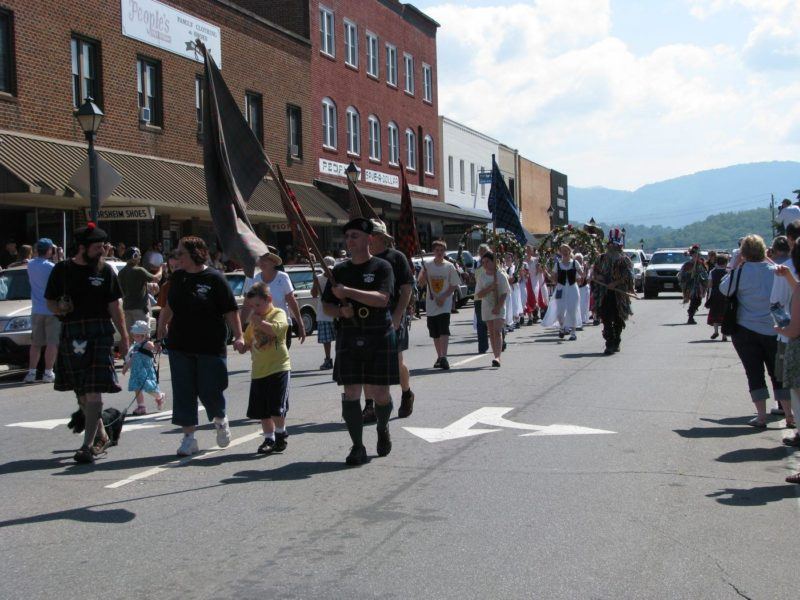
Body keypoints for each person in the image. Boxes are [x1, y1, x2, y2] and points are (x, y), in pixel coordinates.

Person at [44, 223, 129, 464]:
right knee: (81, 393)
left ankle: (88, 445)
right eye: (97, 246)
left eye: (103, 245)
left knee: (93, 391)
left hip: (100, 332)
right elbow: (49, 302)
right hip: (72, 331)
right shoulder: (61, 270)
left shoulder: (105, 271)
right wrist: (59, 309)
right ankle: (102, 434)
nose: (102, 250)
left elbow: (115, 306)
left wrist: (124, 337)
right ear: (82, 247)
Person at [155, 236, 243, 456]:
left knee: (210, 389)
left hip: (210, 345)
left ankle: (220, 420)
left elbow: (230, 311)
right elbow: (168, 307)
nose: (176, 257)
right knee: (184, 392)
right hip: (180, 344)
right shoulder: (178, 279)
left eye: (180, 253)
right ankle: (189, 438)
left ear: (195, 254)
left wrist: (239, 336)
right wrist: (160, 331)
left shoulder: (214, 278)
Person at [322, 217, 397, 466]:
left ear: (369, 239)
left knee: (380, 394)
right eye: (347, 236)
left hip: (378, 333)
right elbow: (326, 305)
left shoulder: (382, 267)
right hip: (350, 335)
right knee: (351, 392)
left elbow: (382, 299)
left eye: (355, 236)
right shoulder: (339, 271)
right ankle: (357, 446)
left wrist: (349, 293)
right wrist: (339, 311)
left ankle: (383, 426)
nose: (349, 240)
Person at [721, 234, 784, 427]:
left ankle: (761, 415)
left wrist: (734, 264)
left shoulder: (739, 273)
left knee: (754, 372)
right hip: (774, 328)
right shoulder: (775, 271)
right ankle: (786, 410)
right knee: (778, 372)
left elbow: (725, 289)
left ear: (743, 253)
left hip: (745, 328)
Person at [368, 219, 416, 419]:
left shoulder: (397, 258)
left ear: (380, 237)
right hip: (369, 319)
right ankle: (370, 405)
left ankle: (406, 393)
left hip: (393, 315)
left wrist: (397, 316)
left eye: (370, 235)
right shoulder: (362, 259)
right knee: (368, 363)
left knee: (396, 362)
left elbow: (406, 289)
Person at [241, 282, 291, 455]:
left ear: (268, 299)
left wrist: (259, 322)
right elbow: (247, 341)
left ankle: (280, 433)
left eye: (258, 305)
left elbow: (277, 331)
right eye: (252, 306)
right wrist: (241, 344)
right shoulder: (254, 321)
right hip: (259, 370)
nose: (255, 309)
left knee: (276, 406)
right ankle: (268, 438)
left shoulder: (278, 313)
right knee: (262, 410)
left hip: (278, 367)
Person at [242, 248, 306, 348]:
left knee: (280, 358)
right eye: (260, 259)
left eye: (265, 259)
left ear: (274, 263)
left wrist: (300, 324)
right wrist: (239, 330)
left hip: (280, 325)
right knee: (262, 358)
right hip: (259, 326)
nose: (262, 262)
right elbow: (246, 305)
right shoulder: (252, 279)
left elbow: (292, 301)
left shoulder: (283, 277)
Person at [417, 240, 460, 370]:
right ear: (433, 251)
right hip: (431, 304)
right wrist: (423, 275)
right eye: (437, 250)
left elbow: (454, 285)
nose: (440, 253)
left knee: (444, 329)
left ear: (445, 252)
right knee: (435, 332)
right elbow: (420, 283)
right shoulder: (427, 265)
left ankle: (444, 357)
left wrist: (443, 297)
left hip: (444, 304)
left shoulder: (449, 266)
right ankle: (439, 356)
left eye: (442, 250)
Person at [768, 234, 796, 424]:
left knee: (788, 380)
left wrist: (783, 328)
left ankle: (790, 417)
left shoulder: (784, 270)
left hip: (791, 336)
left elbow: (776, 303)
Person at [593, 229, 634, 355]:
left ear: (618, 246)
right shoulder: (601, 258)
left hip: (618, 294)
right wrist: (597, 277)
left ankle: (616, 340)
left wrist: (615, 283)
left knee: (618, 319)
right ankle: (609, 343)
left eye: (614, 245)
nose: (612, 247)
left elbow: (628, 276)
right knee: (605, 318)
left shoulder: (624, 260)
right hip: (604, 294)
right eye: (610, 245)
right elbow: (595, 272)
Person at [24, 238, 60, 384]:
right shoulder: (52, 267)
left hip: (37, 309)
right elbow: (60, 277)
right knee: (52, 342)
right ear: (50, 250)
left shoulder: (30, 265)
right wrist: (58, 258)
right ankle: (48, 372)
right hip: (51, 309)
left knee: (36, 343)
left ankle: (32, 372)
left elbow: (33, 260)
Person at [474, 251, 510, 367]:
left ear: (494, 262)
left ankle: (498, 357)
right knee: (491, 332)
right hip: (487, 306)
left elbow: (505, 293)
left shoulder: (500, 275)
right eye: (483, 262)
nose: (485, 264)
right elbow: (479, 294)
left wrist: (498, 306)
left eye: (487, 261)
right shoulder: (482, 276)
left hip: (499, 307)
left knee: (497, 331)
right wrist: (490, 288)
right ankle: (495, 355)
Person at [123, 320, 165, 415]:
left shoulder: (147, 344)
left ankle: (159, 396)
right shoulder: (134, 347)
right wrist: (125, 368)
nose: (136, 338)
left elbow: (154, 348)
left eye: (139, 336)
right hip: (136, 371)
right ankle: (141, 406)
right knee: (137, 387)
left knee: (149, 387)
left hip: (146, 370)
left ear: (144, 335)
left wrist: (157, 347)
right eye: (135, 335)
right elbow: (131, 358)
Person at [542, 244, 583, 340]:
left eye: (566, 250)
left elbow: (581, 275)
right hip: (561, 288)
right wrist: (546, 272)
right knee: (560, 311)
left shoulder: (575, 263)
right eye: (562, 250)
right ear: (560, 253)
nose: (564, 252)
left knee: (572, 310)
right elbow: (553, 279)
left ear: (569, 251)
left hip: (572, 288)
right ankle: (562, 327)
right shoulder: (557, 265)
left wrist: (583, 272)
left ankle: (573, 332)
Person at [117, 247, 161, 332]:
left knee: (131, 337)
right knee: (142, 337)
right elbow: (156, 278)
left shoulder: (121, 272)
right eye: (139, 255)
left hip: (127, 308)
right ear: (134, 256)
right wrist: (161, 269)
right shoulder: (139, 270)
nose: (140, 257)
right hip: (139, 308)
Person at [311, 256, 337, 371]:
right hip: (323, 312)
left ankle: (341, 358)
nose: (329, 270)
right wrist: (315, 283)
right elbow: (314, 294)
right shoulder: (318, 278)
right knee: (326, 340)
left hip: (336, 312)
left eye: (331, 268)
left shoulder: (337, 278)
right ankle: (328, 359)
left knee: (341, 337)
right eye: (326, 268)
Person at [679, 245, 708, 324]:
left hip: (699, 286)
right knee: (694, 300)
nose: (696, 256)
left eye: (697, 255)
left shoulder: (702, 263)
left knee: (698, 301)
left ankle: (691, 313)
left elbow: (705, 274)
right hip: (691, 286)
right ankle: (690, 316)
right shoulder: (687, 264)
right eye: (694, 254)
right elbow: (681, 275)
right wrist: (689, 274)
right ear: (691, 255)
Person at [706, 254, 729, 340]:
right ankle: (724, 335)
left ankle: (716, 331)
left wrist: (708, 296)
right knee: (724, 314)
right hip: (726, 295)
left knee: (715, 313)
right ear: (726, 262)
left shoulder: (712, 272)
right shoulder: (728, 272)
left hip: (715, 294)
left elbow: (709, 285)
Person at [473, 243, 491, 353]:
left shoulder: (495, 264)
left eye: (484, 251)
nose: (482, 253)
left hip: (492, 297)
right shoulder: (477, 266)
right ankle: (482, 346)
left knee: (493, 321)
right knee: (481, 322)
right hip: (479, 298)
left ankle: (500, 341)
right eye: (481, 251)